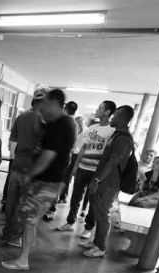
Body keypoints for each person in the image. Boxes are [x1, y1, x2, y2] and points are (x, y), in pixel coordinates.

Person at [1, 89, 76, 270]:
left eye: (45, 104)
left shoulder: (61, 125)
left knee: (29, 219)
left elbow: (48, 156)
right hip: (48, 181)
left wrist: (30, 174)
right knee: (29, 219)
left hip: (47, 182)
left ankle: (23, 259)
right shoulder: (59, 124)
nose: (42, 109)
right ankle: (24, 252)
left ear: (53, 103)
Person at [79, 106, 136, 258]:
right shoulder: (116, 135)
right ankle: (96, 241)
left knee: (102, 213)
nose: (112, 118)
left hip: (109, 183)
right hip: (103, 180)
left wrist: (97, 179)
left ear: (123, 119)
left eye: (115, 115)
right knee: (97, 211)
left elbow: (113, 161)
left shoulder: (123, 138)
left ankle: (100, 247)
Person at [55, 100, 116, 238]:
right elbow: (84, 147)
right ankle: (70, 222)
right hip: (83, 167)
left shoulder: (112, 130)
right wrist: (75, 166)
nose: (97, 109)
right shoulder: (92, 128)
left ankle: (88, 227)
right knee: (76, 196)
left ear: (107, 111)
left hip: (96, 171)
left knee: (93, 199)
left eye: (101, 108)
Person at [2, 87, 48, 244]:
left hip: (17, 164)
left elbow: (13, 140)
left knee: (12, 200)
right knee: (25, 204)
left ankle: (7, 231)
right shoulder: (45, 122)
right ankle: (15, 237)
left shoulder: (21, 117)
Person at [58, 101, 80, 203]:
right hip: (67, 157)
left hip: (57, 156)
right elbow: (74, 145)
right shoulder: (75, 125)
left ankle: (51, 203)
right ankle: (54, 203)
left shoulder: (62, 122)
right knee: (62, 179)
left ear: (65, 108)